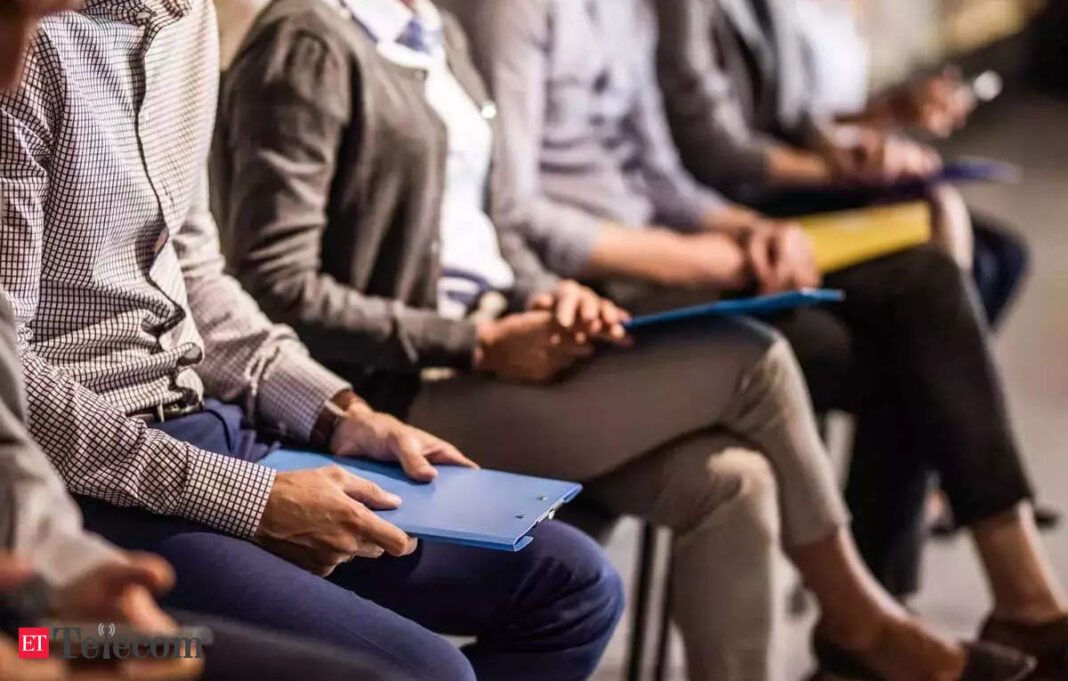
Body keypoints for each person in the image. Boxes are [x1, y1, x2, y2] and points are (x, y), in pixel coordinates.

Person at [215, 1, 1040, 680]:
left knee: (735, 479)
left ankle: (866, 623)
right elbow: (275, 283)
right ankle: (862, 618)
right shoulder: (310, 41)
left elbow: (498, 227)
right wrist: (477, 339)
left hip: (505, 334)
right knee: (756, 359)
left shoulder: (433, 25)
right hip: (408, 384)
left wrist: (555, 297)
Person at [0, 0, 625, 678]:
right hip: (95, 479)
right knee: (428, 672)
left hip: (210, 426)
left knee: (575, 584)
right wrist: (250, 499)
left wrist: (340, 412)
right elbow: (14, 376)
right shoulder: (26, 41)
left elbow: (198, 274)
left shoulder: (187, 19)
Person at [444, 0, 1068, 679]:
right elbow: (516, 207)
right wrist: (708, 258)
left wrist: (745, 230)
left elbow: (660, 173)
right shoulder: (513, 11)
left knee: (926, 283)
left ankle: (956, 607)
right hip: (597, 282)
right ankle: (903, 618)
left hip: (670, 241)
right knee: (904, 343)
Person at [653, 0, 1029, 329]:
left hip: (792, 174)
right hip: (743, 194)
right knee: (940, 265)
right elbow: (716, 148)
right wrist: (840, 170)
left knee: (1000, 252)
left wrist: (845, 148)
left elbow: (796, 112)